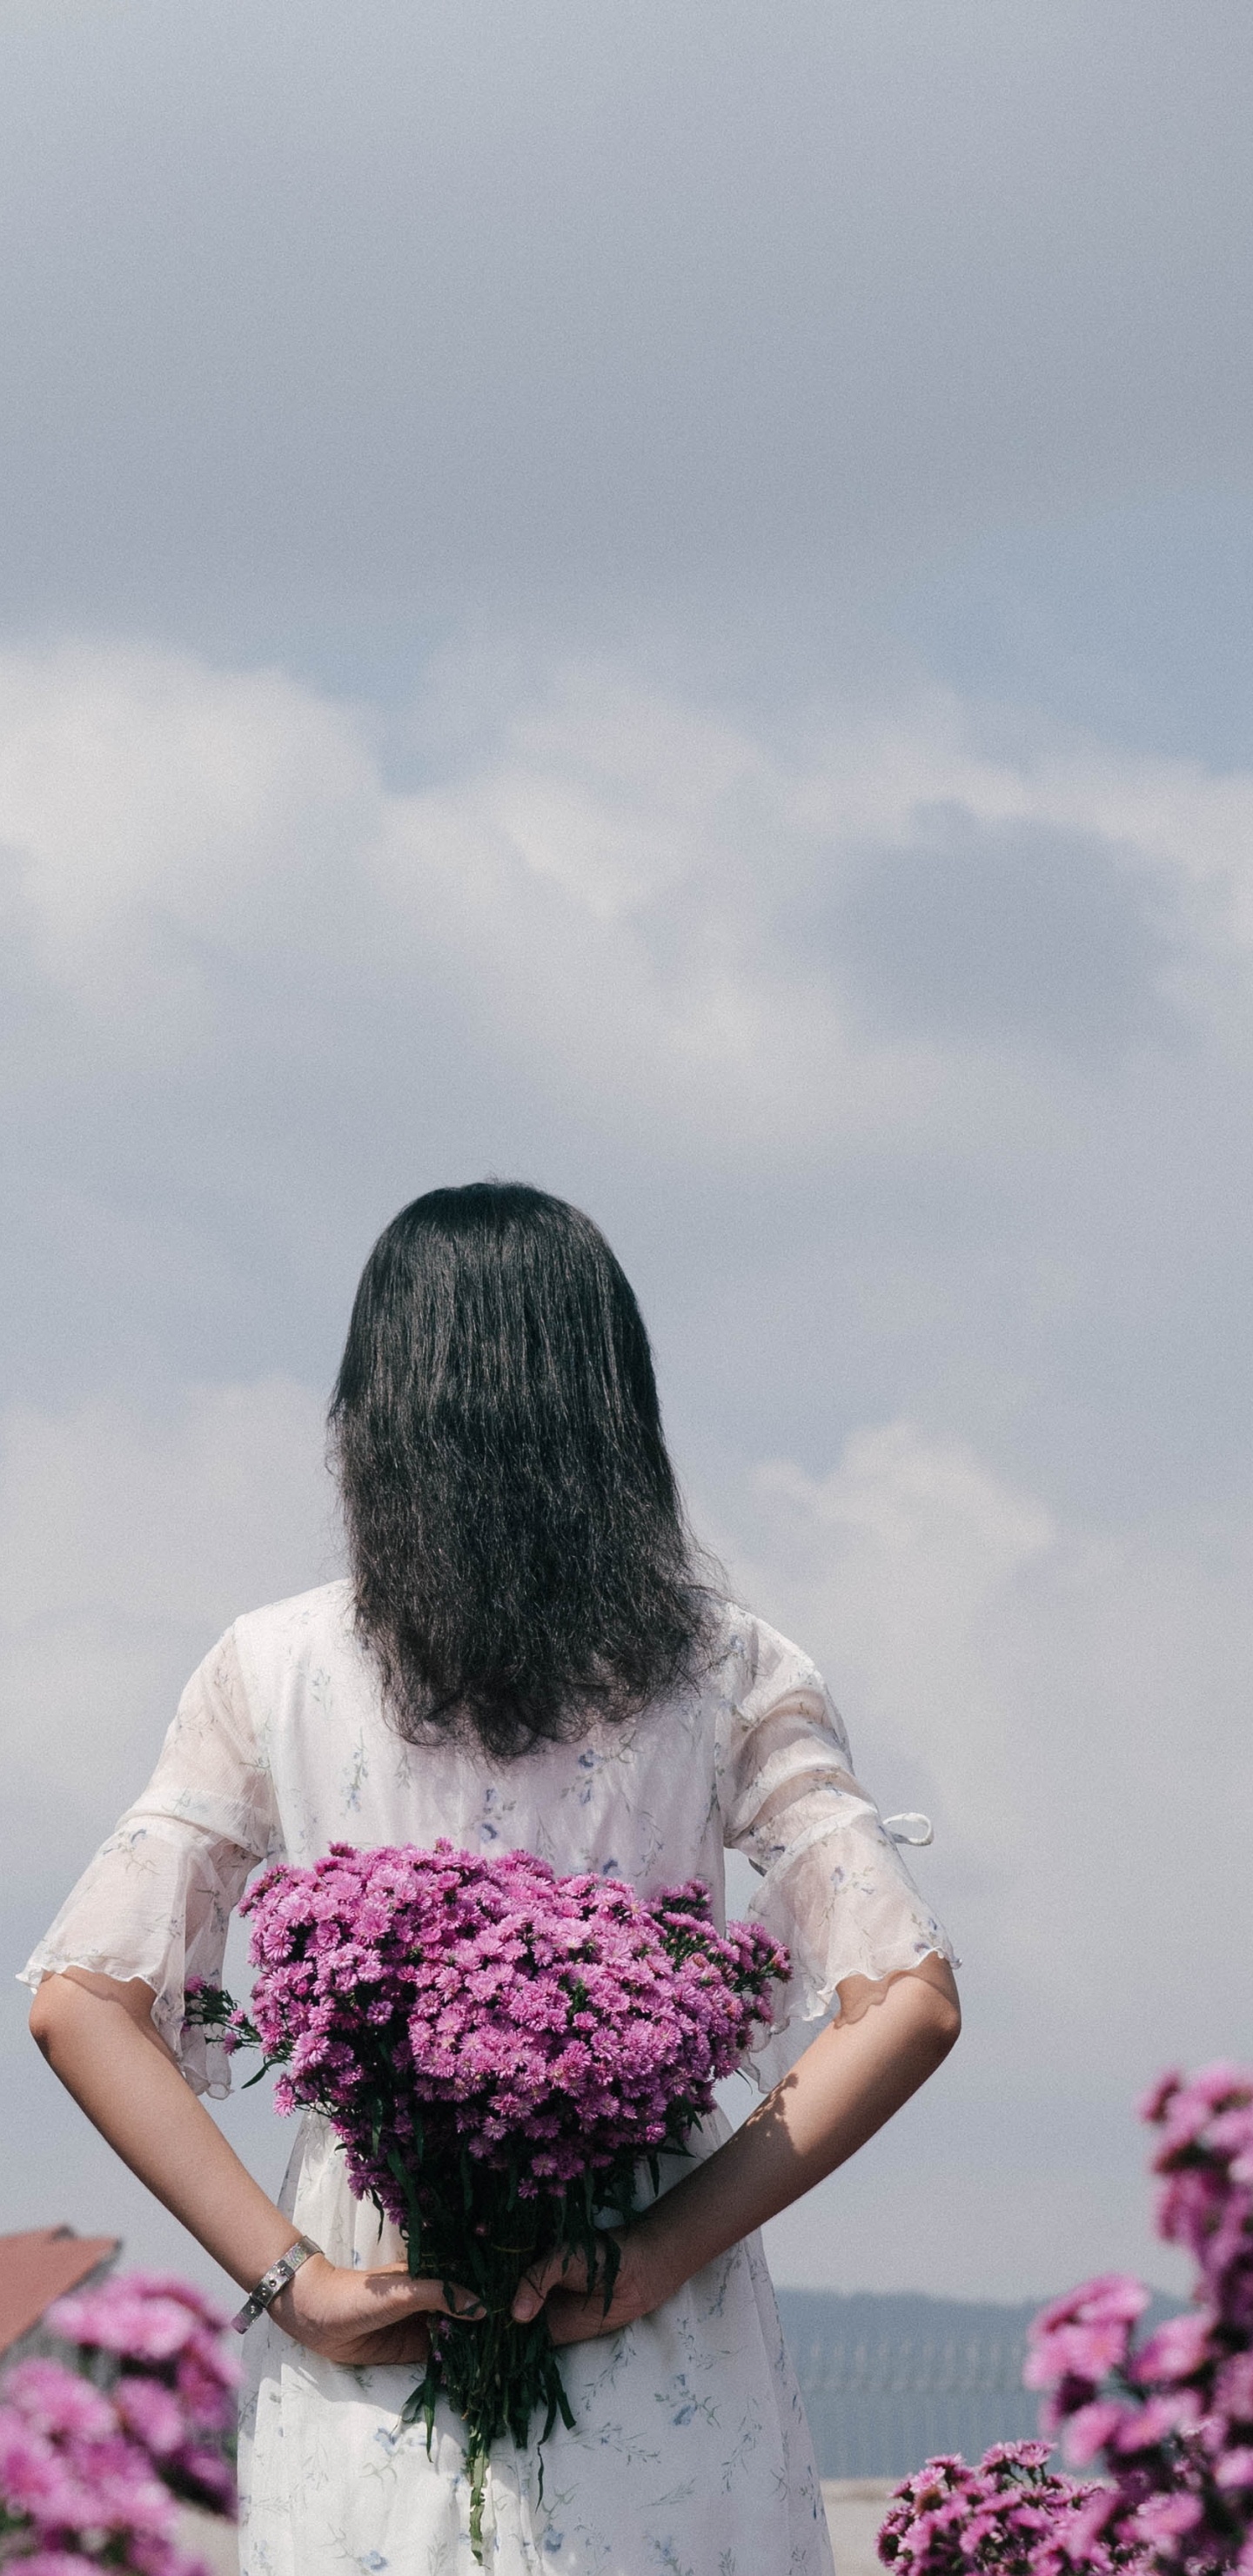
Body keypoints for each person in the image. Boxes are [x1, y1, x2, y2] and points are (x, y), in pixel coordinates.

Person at [23, 1181, 960, 2576]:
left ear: (376, 1411)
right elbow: (913, 2002)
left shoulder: (271, 1666)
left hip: (381, 2303)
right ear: (613, 1405)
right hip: (643, 2315)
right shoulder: (728, 1667)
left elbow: (79, 1998)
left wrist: (291, 2282)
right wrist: (660, 2251)